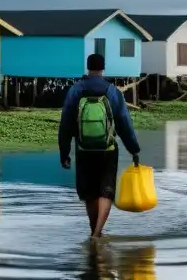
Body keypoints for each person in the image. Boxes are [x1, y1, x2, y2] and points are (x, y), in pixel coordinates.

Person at [58, 53, 141, 238]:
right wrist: (134, 149)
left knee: (89, 191)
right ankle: (97, 232)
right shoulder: (112, 91)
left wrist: (64, 152)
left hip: (83, 149)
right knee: (106, 191)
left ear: (88, 67)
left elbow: (65, 124)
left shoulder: (76, 90)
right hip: (108, 150)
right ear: (103, 68)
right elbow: (124, 123)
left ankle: (93, 230)